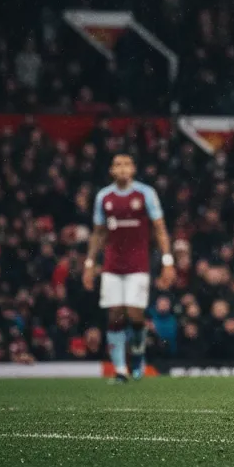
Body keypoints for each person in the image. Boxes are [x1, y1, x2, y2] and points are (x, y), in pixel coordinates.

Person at [82, 154, 175, 381]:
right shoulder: (104, 196)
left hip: (138, 264)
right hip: (112, 264)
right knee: (114, 313)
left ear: (133, 169)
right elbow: (99, 232)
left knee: (134, 312)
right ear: (112, 171)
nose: (122, 168)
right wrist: (89, 263)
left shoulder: (145, 193)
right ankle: (120, 370)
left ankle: (138, 355)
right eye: (117, 165)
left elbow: (160, 228)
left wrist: (168, 261)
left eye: (126, 164)